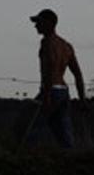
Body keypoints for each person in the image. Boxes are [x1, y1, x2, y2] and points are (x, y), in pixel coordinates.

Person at [30, 8, 86, 148]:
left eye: (39, 22)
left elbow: (50, 67)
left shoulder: (47, 42)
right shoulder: (66, 46)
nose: (36, 25)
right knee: (65, 137)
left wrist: (47, 95)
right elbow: (78, 74)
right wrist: (82, 99)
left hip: (51, 92)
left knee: (28, 128)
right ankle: (71, 161)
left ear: (49, 23)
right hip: (63, 93)